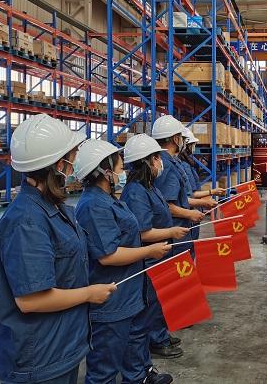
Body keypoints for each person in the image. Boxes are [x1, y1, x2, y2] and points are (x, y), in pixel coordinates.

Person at [0, 114, 116, 384]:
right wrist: (89, 293)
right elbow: (31, 300)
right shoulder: (27, 222)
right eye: (72, 157)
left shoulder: (54, 207)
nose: (75, 164)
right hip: (40, 358)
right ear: (59, 165)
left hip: (62, 345)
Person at [74, 139, 173, 384]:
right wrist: (149, 251)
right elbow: (108, 255)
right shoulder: (93, 205)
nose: (123, 173)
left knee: (135, 341)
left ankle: (139, 377)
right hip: (112, 297)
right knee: (105, 366)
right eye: (120, 169)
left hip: (130, 290)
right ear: (105, 172)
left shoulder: (109, 199)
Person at [121, 134, 190, 360]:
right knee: (150, 302)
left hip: (161, 253)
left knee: (159, 299)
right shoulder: (135, 192)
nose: (160, 163)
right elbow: (143, 232)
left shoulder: (148, 187)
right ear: (147, 162)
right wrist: (171, 232)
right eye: (156, 158)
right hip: (150, 257)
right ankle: (156, 340)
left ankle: (159, 334)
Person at [151, 115, 205, 255]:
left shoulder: (166, 162)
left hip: (174, 231)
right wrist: (189, 213)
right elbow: (164, 204)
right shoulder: (167, 166)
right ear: (176, 139)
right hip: (175, 231)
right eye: (181, 137)